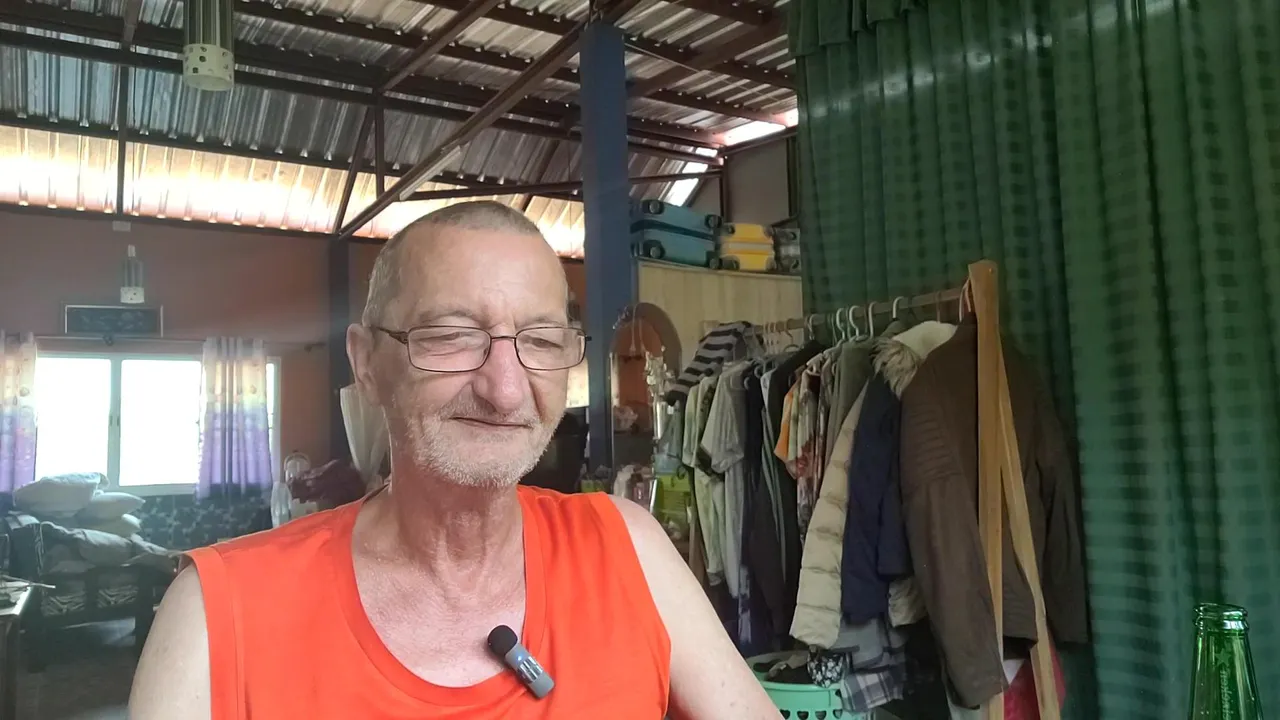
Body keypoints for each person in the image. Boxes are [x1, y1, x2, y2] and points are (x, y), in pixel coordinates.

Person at [129, 201, 781, 719]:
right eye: (452, 336)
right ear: (367, 364)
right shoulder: (217, 616)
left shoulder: (628, 549)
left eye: (541, 340)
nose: (505, 390)